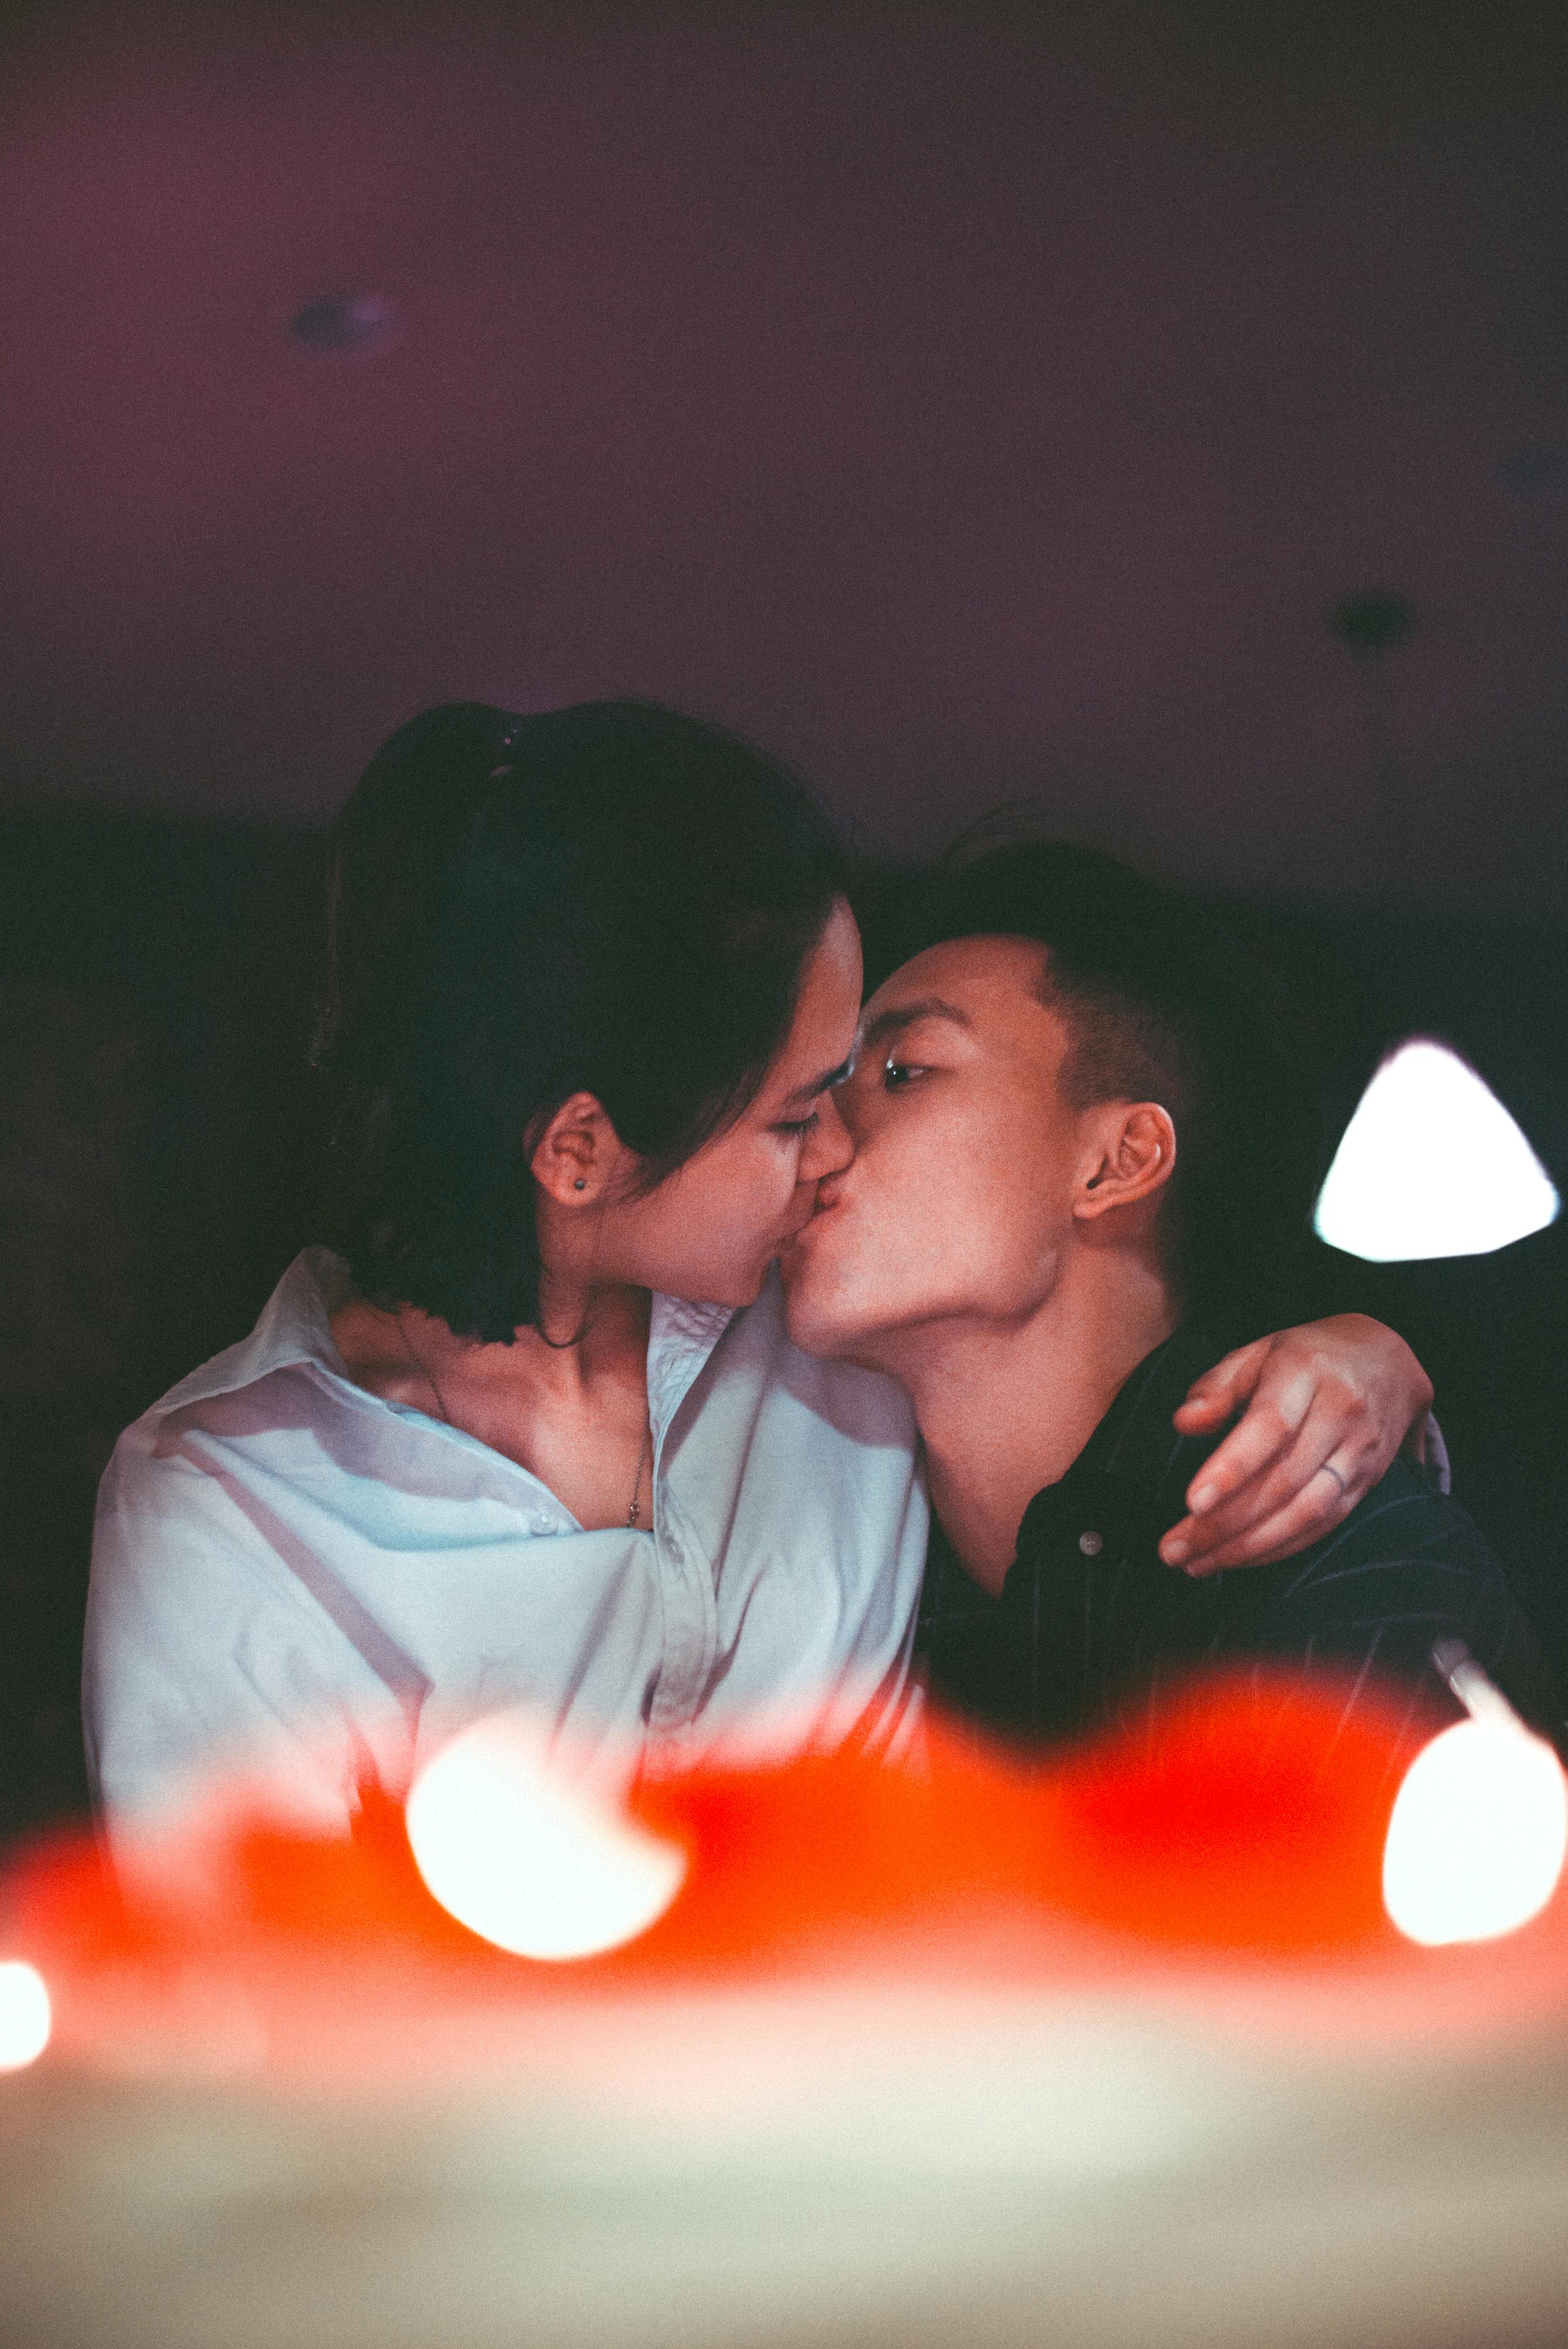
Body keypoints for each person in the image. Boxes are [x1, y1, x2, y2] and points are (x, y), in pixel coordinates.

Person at [85, 706, 1439, 1840]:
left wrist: (1388, 1347)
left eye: (877, 1079)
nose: (834, 1152)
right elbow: (256, 2036)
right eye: (798, 1114)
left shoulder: (832, 1335)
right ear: (581, 1151)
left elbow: (1090, 1346)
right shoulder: (232, 1508)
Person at [778, 842, 1561, 1749]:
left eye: (903, 1071)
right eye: (820, 1085)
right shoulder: (848, 1566)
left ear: (1118, 1162)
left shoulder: (1340, 1560)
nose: (815, 1137)